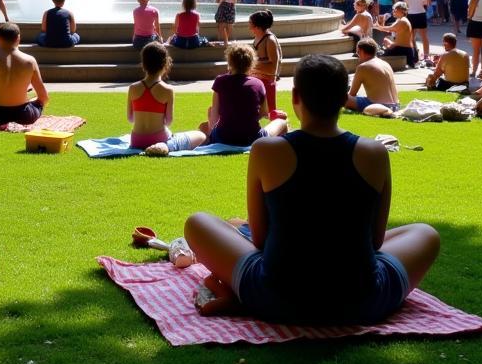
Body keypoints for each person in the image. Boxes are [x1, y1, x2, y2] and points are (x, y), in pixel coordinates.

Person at [185, 54, 440, 324]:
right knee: (425, 234)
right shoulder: (374, 153)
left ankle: (237, 293)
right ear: (344, 98)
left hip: (274, 298)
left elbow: (259, 241)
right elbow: (375, 242)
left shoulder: (268, 150)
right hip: (361, 302)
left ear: (296, 96)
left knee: (198, 223)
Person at [127, 42, 207, 157]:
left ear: (143, 64)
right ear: (165, 64)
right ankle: (166, 146)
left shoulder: (133, 88)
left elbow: (130, 119)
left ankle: (162, 146)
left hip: (136, 140)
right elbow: (168, 121)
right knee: (201, 135)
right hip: (160, 138)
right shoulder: (167, 90)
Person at [204, 44, 288, 146]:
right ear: (251, 63)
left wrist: (214, 133)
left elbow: (215, 111)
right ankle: (280, 151)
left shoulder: (220, 81)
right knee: (281, 122)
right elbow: (263, 113)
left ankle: (210, 141)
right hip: (253, 138)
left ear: (230, 62)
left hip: (223, 137)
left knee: (205, 122)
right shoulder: (258, 84)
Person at [345, 39, 401, 115]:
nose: (357, 54)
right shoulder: (385, 64)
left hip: (380, 106)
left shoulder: (363, 67)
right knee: (360, 97)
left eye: (357, 52)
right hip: (396, 106)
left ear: (361, 51)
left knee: (341, 97)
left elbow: (352, 94)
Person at [249, 9, 285, 120]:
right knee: (254, 112)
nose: (249, 27)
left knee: (271, 113)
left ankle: (277, 134)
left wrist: (250, 64)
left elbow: (274, 64)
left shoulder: (270, 40)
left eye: (251, 24)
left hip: (267, 82)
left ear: (258, 26)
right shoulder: (257, 37)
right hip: (257, 79)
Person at [376, 2, 417, 69]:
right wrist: (381, 23)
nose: (393, 11)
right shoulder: (399, 20)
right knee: (386, 40)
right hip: (401, 47)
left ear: (402, 11)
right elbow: (388, 29)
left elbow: (389, 29)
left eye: (395, 10)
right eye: (393, 10)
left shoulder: (403, 21)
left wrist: (377, 26)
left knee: (379, 57)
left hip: (403, 49)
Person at [403, 0, 432, 67]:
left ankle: (413, 55)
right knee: (424, 37)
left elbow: (406, 5)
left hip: (411, 15)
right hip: (421, 14)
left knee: (411, 37)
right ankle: (426, 55)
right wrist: (422, 4)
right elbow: (428, 2)